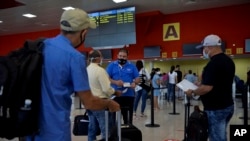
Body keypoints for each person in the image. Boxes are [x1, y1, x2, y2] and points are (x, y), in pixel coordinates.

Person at [25, 9, 120, 141]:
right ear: (83, 32)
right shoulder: (74, 57)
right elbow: (89, 103)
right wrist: (109, 103)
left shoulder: (41, 46)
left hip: (30, 128)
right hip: (55, 131)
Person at [185, 34, 235, 141]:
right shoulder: (229, 61)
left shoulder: (213, 64)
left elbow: (207, 88)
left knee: (217, 137)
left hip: (216, 108)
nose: (204, 50)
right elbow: (219, 83)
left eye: (204, 48)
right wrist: (201, 84)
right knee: (221, 134)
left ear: (210, 47)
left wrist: (193, 92)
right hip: (227, 105)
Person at [86, 50, 122, 141]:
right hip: (100, 102)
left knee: (92, 127)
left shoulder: (86, 70)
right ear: (97, 58)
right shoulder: (100, 70)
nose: (102, 58)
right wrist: (115, 92)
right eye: (101, 57)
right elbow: (106, 89)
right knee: (105, 128)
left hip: (88, 102)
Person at [106, 48, 140, 124]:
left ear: (127, 57)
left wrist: (135, 83)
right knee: (113, 117)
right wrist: (115, 82)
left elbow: (137, 78)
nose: (122, 58)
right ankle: (114, 133)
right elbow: (106, 77)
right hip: (115, 95)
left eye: (124, 56)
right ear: (117, 56)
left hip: (129, 95)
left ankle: (128, 132)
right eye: (120, 56)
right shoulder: (112, 65)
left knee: (127, 118)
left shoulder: (132, 66)